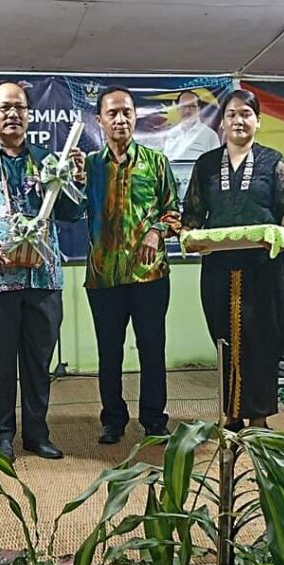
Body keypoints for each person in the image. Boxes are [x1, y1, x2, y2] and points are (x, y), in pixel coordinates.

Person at [0, 80, 85, 462]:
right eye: (4, 107)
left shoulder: (47, 160)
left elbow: (72, 213)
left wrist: (75, 179)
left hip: (44, 278)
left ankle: (37, 434)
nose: (13, 114)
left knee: (38, 361)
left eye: (20, 108)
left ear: (29, 114)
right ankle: (1, 435)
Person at [182, 89, 284, 431]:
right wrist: (188, 235)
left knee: (262, 338)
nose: (238, 120)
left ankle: (259, 418)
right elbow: (192, 213)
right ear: (222, 123)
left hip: (263, 268)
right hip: (219, 268)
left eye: (246, 114)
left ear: (258, 122)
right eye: (231, 114)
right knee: (224, 338)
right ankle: (231, 414)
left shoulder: (273, 161)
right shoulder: (206, 165)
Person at [83, 86, 179, 445]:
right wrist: (69, 180)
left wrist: (156, 230)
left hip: (149, 274)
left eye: (127, 112)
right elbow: (71, 210)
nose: (120, 119)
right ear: (100, 120)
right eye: (113, 113)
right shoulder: (89, 166)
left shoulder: (156, 163)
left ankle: (154, 419)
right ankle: (113, 419)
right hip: (103, 275)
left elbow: (174, 212)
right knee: (109, 352)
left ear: (135, 116)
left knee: (152, 348)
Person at [163, 90, 220, 162]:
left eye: (192, 106)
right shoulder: (170, 134)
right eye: (184, 106)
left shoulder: (210, 135)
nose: (187, 111)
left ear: (199, 109)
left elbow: (217, 163)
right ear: (178, 109)